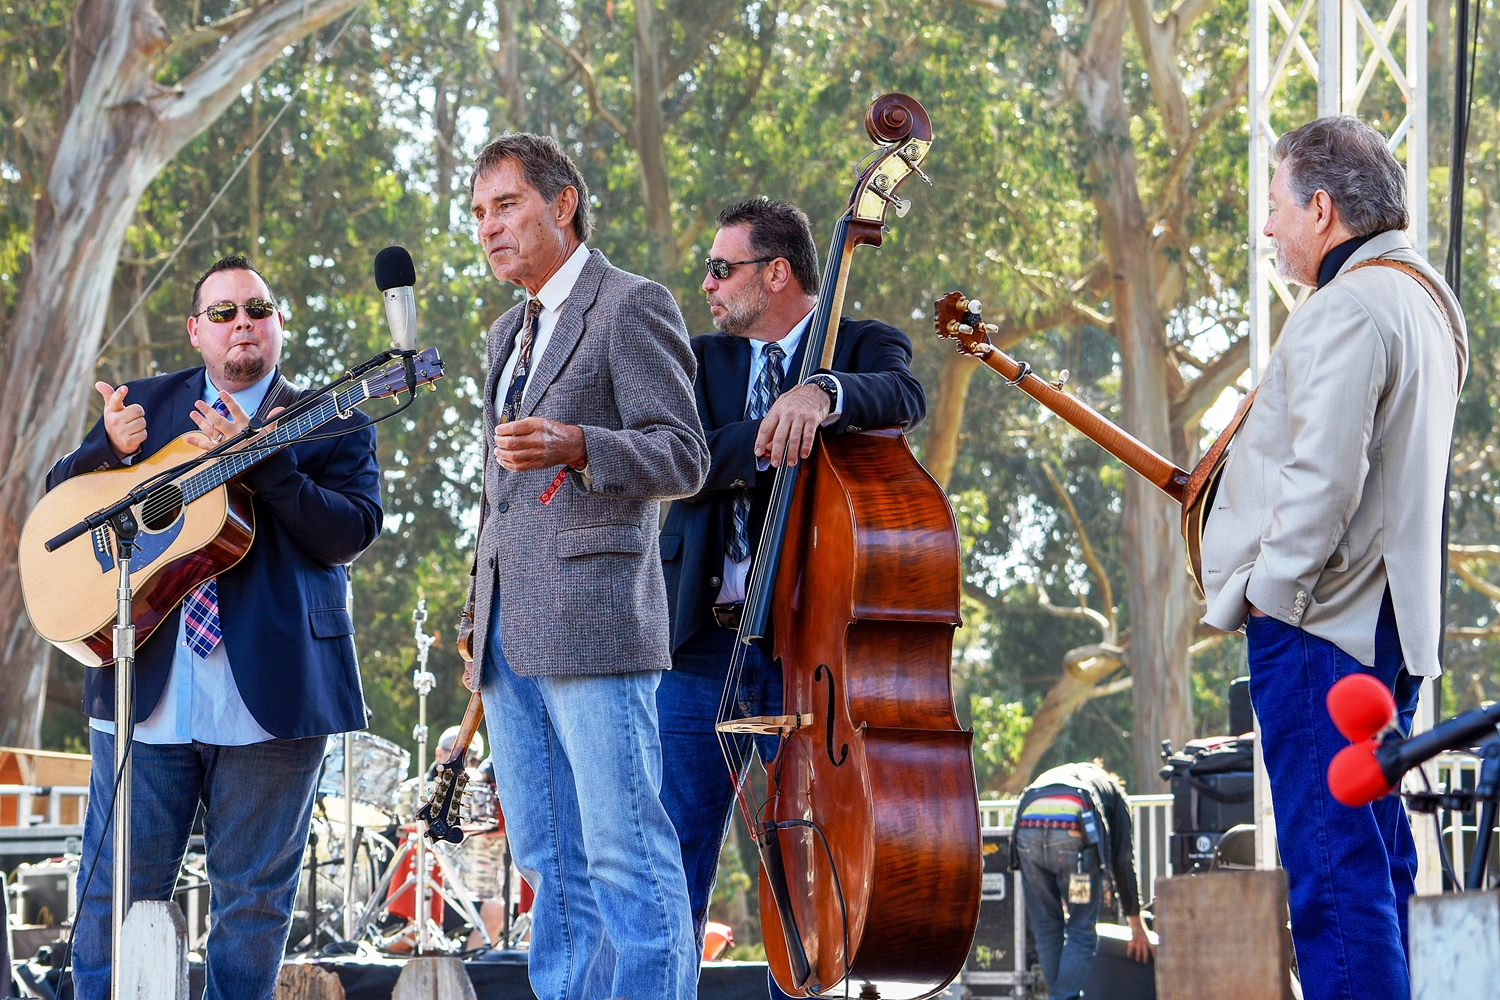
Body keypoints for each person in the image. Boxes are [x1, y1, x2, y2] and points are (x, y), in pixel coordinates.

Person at [48, 254, 382, 1000]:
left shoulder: (333, 417)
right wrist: (105, 450)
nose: (242, 324)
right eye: (224, 312)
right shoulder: (144, 407)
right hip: (146, 691)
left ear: (279, 324)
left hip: (274, 700)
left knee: (253, 907)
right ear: (196, 330)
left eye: (258, 310)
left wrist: (262, 462)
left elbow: (350, 533)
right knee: (113, 896)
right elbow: (60, 504)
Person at [1200, 116, 1467, 1000]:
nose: (1268, 228)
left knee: (1331, 871)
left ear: (1321, 209)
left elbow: (1324, 480)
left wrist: (1269, 596)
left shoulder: (1350, 305)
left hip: (1324, 626)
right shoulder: (1427, 299)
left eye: (1277, 207)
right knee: (1377, 860)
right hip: (1390, 623)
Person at [460, 132, 709, 1000]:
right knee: (547, 860)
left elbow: (684, 455)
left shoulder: (631, 305)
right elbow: (496, 497)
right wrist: (476, 614)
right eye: (479, 213)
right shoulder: (506, 333)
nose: (489, 228)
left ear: (563, 204)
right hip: (508, 636)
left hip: (598, 620)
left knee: (624, 851)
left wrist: (579, 444)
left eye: (507, 205)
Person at [655, 197, 926, 963]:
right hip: (699, 643)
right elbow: (682, 458)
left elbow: (903, 396)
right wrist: (770, 432)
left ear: (775, 273)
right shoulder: (697, 360)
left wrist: (823, 394)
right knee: (672, 858)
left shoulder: (865, 343)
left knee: (808, 868)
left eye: (721, 268)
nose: (707, 285)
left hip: (806, 652)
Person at [1009, 763, 1153, 1000]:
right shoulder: (1114, 792)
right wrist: (1136, 925)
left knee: (1046, 929)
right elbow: (1122, 860)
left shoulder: (1064, 774)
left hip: (1027, 824)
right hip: (1074, 830)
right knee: (1081, 931)